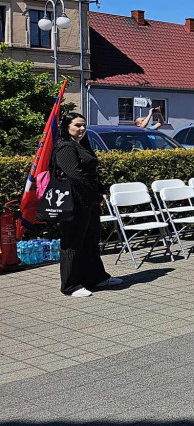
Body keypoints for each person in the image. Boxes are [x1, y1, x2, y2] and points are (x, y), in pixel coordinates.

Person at [52, 113, 123, 298]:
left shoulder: (81, 145)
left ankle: (96, 278)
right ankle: (70, 285)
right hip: (75, 202)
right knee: (73, 242)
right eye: (77, 125)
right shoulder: (65, 147)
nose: (82, 129)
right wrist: (95, 194)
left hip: (88, 201)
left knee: (91, 241)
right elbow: (75, 175)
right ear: (67, 126)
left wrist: (100, 191)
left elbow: (92, 173)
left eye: (84, 125)